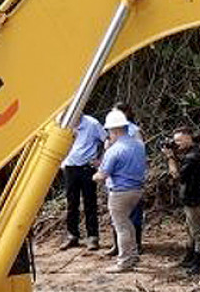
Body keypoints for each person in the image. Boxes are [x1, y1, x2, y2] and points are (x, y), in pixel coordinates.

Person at [95, 109, 147, 273]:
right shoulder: (139, 145)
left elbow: (103, 175)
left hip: (120, 192)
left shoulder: (114, 150)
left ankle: (124, 261)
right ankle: (133, 254)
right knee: (128, 223)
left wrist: (95, 175)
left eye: (109, 131)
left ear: (115, 130)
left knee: (121, 227)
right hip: (136, 190)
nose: (108, 135)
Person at [166, 128, 200, 276]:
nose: (176, 144)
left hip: (194, 199)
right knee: (190, 229)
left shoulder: (193, 157)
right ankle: (190, 258)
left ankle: (198, 263)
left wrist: (170, 158)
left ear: (188, 138)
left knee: (197, 231)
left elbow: (177, 176)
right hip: (195, 197)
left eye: (178, 141)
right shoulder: (194, 153)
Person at [60, 112, 106, 249]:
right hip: (70, 168)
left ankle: (93, 237)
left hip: (87, 168)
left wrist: (101, 161)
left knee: (90, 202)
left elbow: (107, 140)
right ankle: (72, 235)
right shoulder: (64, 123)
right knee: (71, 203)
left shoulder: (92, 124)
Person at [113, 101, 146, 253]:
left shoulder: (134, 131)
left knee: (134, 214)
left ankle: (136, 245)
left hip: (131, 178)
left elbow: (140, 154)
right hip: (115, 178)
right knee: (118, 216)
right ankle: (118, 246)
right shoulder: (111, 130)